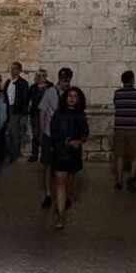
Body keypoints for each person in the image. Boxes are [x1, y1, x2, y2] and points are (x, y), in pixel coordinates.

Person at [50, 86, 88, 229]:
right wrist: (62, 144)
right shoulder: (58, 114)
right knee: (60, 182)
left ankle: (65, 201)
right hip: (60, 152)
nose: (72, 98)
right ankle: (60, 215)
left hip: (73, 154)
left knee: (68, 181)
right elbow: (54, 132)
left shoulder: (80, 115)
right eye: (69, 95)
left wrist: (79, 141)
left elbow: (84, 132)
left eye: (75, 96)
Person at [38, 66, 73, 209]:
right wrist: (43, 132)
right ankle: (47, 194)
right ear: (59, 79)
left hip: (65, 136)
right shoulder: (49, 93)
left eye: (68, 80)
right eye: (64, 80)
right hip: (50, 134)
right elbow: (43, 113)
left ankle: (65, 194)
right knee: (48, 165)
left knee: (66, 167)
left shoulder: (71, 95)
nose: (66, 83)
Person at [113, 70, 136, 192]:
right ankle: (131, 179)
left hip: (120, 127)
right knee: (135, 155)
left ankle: (119, 181)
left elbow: (116, 105)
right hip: (134, 128)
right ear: (132, 80)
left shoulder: (117, 93)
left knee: (119, 155)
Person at [3, 61, 29, 162]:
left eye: (15, 69)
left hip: (16, 110)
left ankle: (14, 155)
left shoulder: (23, 83)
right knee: (7, 133)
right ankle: (10, 152)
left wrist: (23, 114)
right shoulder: (8, 82)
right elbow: (5, 96)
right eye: (12, 68)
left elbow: (25, 99)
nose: (13, 71)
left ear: (19, 71)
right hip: (7, 108)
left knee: (15, 134)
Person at [27, 69, 51, 162]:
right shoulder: (33, 87)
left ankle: (45, 154)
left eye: (43, 75)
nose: (42, 77)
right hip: (35, 113)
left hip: (47, 113)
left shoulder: (50, 86)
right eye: (40, 75)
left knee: (46, 133)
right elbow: (28, 99)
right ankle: (34, 154)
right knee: (36, 134)